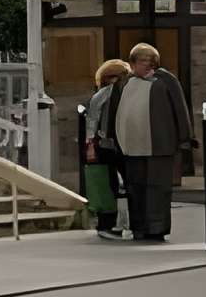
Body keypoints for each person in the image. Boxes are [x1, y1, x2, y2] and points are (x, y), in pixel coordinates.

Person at [118, 42, 196, 243]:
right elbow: (115, 112)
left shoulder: (164, 81)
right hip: (131, 147)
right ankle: (139, 227)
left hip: (159, 145)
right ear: (132, 63)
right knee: (135, 187)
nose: (146, 64)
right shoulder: (126, 83)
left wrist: (185, 137)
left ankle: (156, 227)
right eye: (142, 61)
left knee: (157, 188)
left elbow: (180, 108)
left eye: (149, 61)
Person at [82, 60, 130, 238]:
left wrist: (90, 144)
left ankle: (107, 223)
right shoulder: (114, 93)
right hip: (115, 144)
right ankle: (110, 224)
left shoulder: (101, 94)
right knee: (114, 184)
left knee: (106, 184)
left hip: (105, 144)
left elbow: (92, 121)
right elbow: (93, 121)